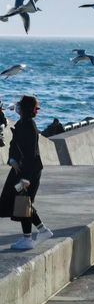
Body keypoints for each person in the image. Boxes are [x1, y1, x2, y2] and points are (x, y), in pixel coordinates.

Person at [0, 95, 53, 250]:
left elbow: (31, 154)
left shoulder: (29, 126)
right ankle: (42, 231)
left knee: (23, 201)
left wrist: (26, 178)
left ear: (24, 109)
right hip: (21, 169)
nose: (17, 107)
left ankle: (28, 238)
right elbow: (14, 145)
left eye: (20, 105)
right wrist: (12, 160)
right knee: (22, 201)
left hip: (28, 171)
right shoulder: (22, 123)